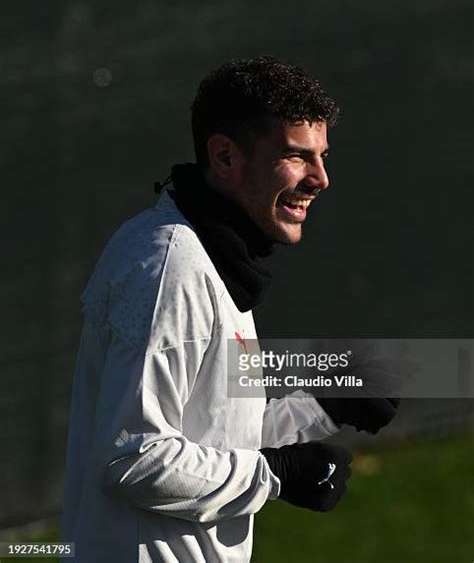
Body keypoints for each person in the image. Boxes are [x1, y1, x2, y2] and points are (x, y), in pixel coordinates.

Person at [60, 56, 398, 562]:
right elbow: (132, 457)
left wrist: (323, 407)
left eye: (323, 156)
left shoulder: (216, 254)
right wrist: (277, 476)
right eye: (296, 155)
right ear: (224, 157)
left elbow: (213, 435)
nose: (321, 178)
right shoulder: (171, 269)